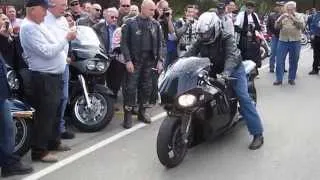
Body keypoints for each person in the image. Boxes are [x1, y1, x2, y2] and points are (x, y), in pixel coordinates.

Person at [184, 11, 264, 150]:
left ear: (215, 28)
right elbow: (189, 53)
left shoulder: (227, 38)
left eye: (206, 33)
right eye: (201, 34)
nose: (203, 36)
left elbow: (231, 57)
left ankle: (258, 134)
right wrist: (177, 64)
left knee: (243, 98)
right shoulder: (201, 39)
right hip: (212, 68)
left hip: (233, 69)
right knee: (195, 92)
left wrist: (226, 73)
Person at [20, 0, 76, 162]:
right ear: (32, 10)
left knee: (54, 112)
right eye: (43, 9)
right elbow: (47, 51)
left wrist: (62, 51)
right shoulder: (29, 28)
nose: (46, 12)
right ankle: (39, 151)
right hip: (43, 77)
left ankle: (52, 141)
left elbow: (53, 44)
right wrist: (66, 38)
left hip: (53, 75)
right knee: (44, 116)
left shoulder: (39, 24)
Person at [121, 0, 164, 129]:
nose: (153, 12)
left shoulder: (155, 24)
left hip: (150, 60)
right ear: (143, 8)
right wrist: (127, 60)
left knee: (147, 87)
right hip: (135, 60)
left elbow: (160, 43)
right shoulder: (130, 23)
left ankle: (142, 112)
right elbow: (124, 43)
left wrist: (160, 60)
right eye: (151, 10)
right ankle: (127, 116)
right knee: (131, 87)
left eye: (153, 10)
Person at [0, 32, 33, 180]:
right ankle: (9, 164)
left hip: (2, 93)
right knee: (6, 129)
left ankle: (9, 164)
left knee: (7, 129)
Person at [44, 0, 75, 139]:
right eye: (63, 5)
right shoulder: (43, 21)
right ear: (52, 5)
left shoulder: (63, 20)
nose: (66, 8)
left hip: (64, 65)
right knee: (51, 102)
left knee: (63, 98)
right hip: (49, 68)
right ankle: (49, 135)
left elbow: (66, 41)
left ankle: (59, 130)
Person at [273, 1, 305, 85]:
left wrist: (293, 18)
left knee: (294, 60)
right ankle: (279, 79)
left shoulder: (300, 15)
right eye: (288, 9)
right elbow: (276, 27)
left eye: (291, 9)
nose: (289, 10)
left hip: (295, 41)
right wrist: (280, 19)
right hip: (283, 40)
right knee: (279, 60)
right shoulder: (283, 16)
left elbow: (302, 27)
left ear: (294, 8)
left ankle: (291, 78)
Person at [234, 1, 262, 69]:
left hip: (253, 38)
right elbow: (236, 27)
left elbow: (258, 26)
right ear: (245, 8)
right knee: (244, 55)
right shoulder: (241, 15)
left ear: (253, 9)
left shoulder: (254, 15)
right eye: (248, 8)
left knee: (254, 55)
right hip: (243, 39)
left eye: (251, 8)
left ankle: (254, 70)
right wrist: (245, 32)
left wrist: (254, 29)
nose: (249, 10)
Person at [266, 2, 284, 73]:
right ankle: (271, 67)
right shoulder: (271, 15)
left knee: (282, 53)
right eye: (278, 6)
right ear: (275, 7)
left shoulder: (284, 15)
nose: (279, 7)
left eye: (281, 6)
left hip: (283, 37)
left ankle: (282, 67)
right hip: (275, 36)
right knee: (273, 52)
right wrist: (270, 34)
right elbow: (268, 26)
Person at [308, 9, 320, 75]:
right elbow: (312, 25)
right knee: (316, 54)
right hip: (317, 37)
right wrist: (312, 33)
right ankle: (315, 69)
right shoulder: (317, 15)